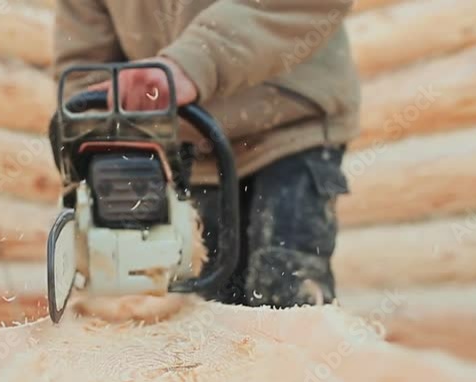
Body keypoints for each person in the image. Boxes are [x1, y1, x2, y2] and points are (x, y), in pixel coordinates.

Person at [53, 0, 361, 308]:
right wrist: (96, 134)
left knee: (285, 292)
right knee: (212, 312)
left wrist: (196, 61)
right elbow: (86, 65)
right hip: (194, 143)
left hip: (289, 125)